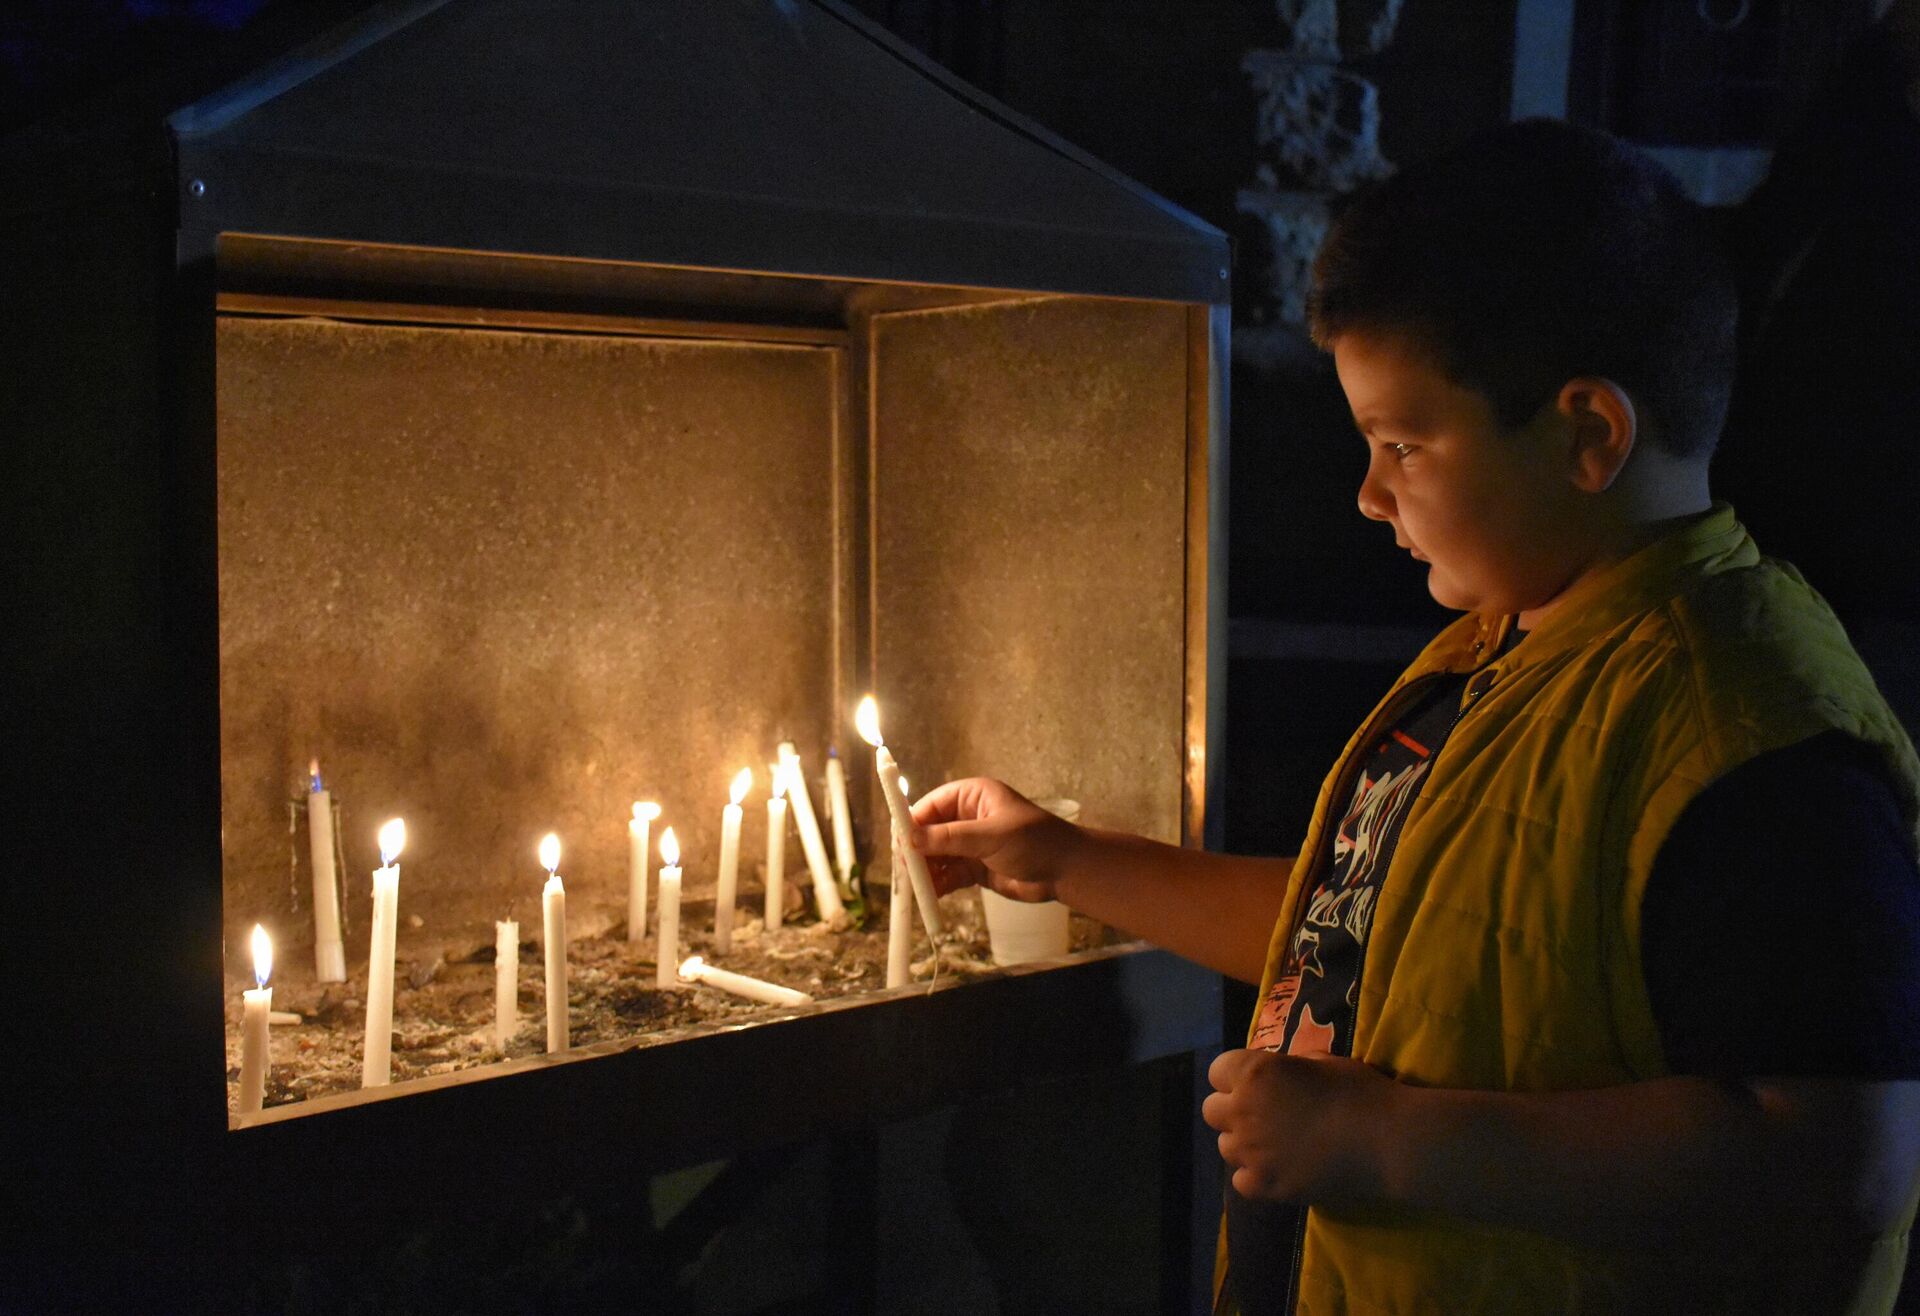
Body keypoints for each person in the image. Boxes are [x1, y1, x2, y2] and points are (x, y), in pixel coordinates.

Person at [907, 119, 1920, 1314]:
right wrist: (1070, 859)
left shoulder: (1745, 730)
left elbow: (1838, 1159)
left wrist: (1389, 1140)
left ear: (1589, 431)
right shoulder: (1501, 650)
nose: (1369, 492)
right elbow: (1364, 937)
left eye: (1403, 444)